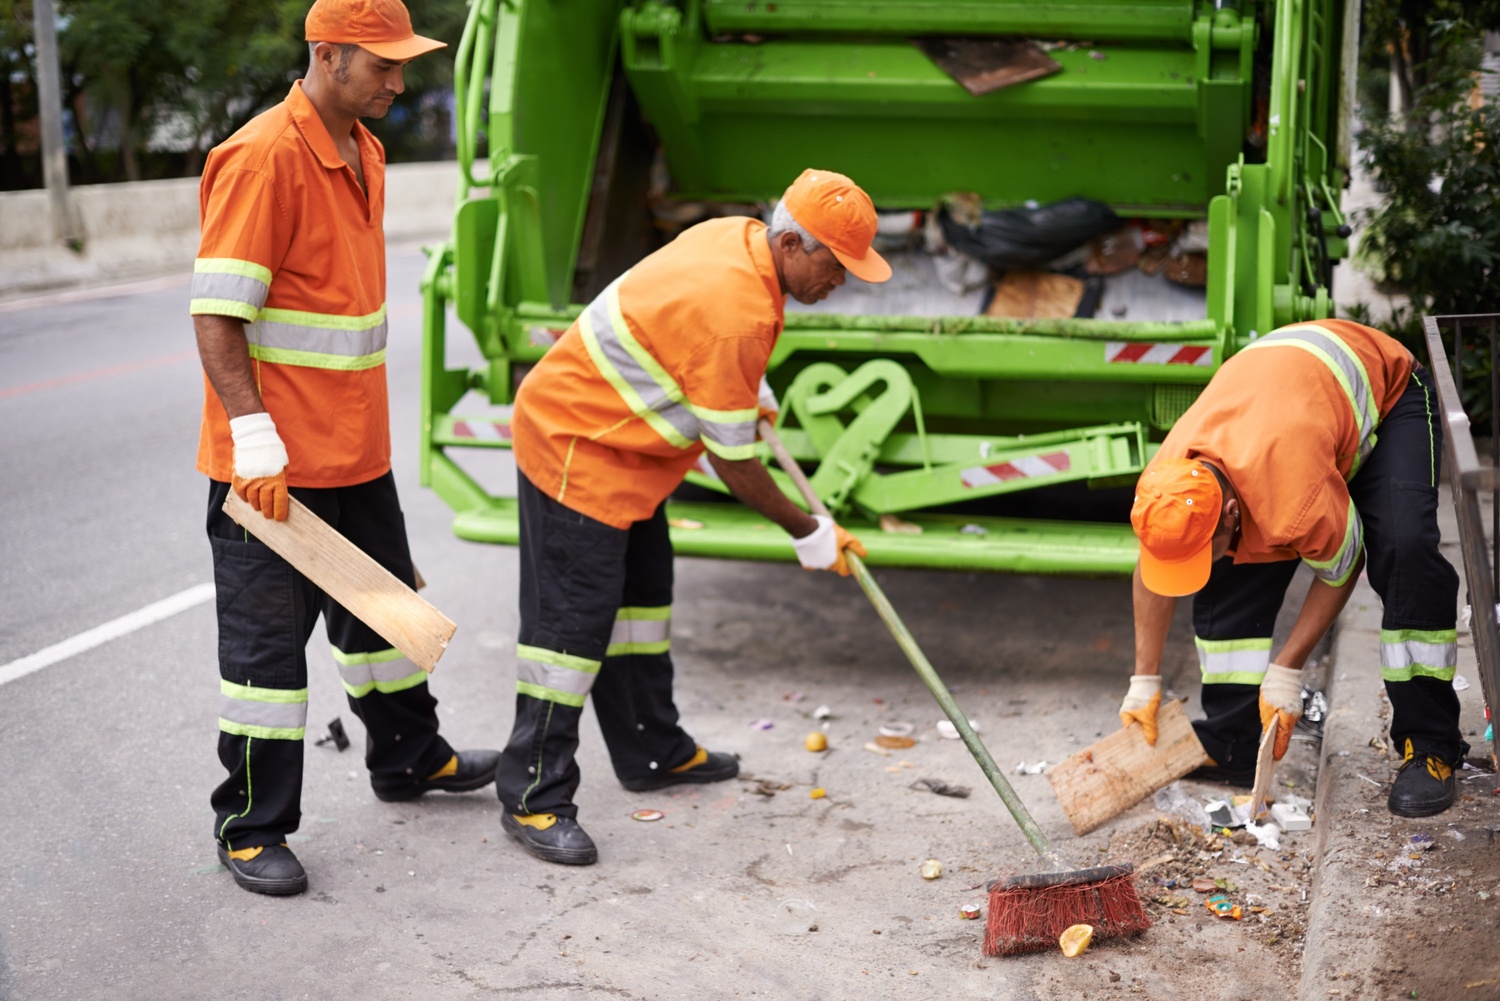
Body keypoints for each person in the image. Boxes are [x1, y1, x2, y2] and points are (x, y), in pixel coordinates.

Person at [190, 0, 499, 896]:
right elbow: (219, 315)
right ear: (328, 58)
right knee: (265, 661)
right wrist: (253, 438)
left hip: (355, 453)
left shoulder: (363, 149)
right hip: (270, 468)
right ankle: (250, 827)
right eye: (383, 67)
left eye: (403, 66)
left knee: (386, 624)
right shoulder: (262, 158)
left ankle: (410, 757)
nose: (400, 83)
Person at [495, 169, 887, 865]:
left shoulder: (737, 240)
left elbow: (693, 336)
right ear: (794, 242)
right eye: (837, 264)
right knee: (569, 636)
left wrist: (748, 386)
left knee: (643, 609)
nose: (842, 281)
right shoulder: (738, 306)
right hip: (577, 446)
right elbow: (734, 463)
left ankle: (652, 749)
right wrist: (809, 530)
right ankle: (534, 794)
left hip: (632, 453)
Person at [1118, 318, 1464, 818]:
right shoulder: (1167, 479)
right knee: (1227, 567)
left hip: (1388, 402)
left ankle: (1430, 746)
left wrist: (1287, 671)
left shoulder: (1292, 497)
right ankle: (1234, 740)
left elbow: (1343, 567)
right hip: (1291, 403)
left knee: (1404, 548)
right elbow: (1155, 567)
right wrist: (1143, 680)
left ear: (1232, 511)